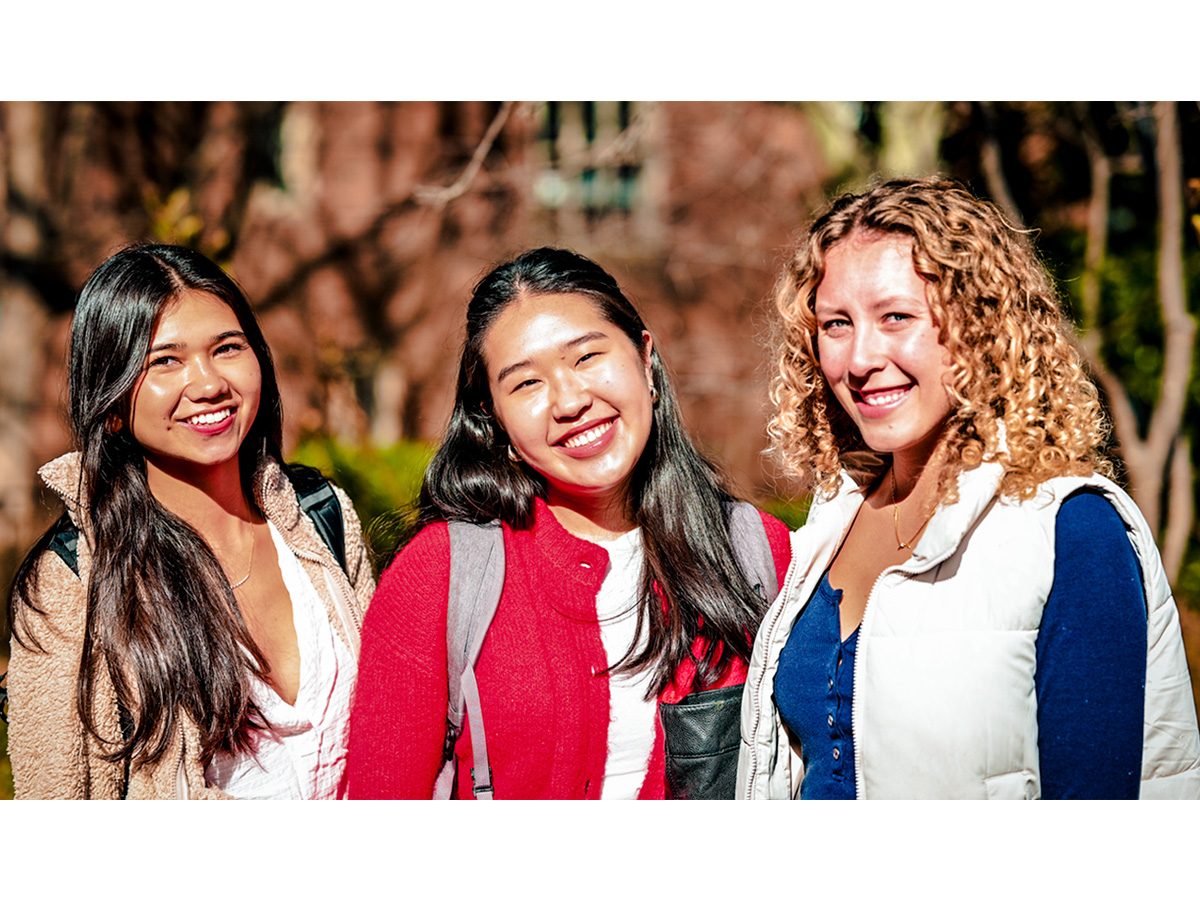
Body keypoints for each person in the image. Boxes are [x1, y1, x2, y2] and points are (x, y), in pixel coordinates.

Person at [738, 177, 1200, 800]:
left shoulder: (1071, 528)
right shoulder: (829, 522)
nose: (860, 359)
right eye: (836, 324)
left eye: (897, 317)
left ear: (982, 326)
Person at [347, 247, 791, 799]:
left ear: (645, 357)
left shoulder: (756, 553)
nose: (569, 401)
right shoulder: (439, 575)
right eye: (526, 384)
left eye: (585, 358)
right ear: (494, 416)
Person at [5, 244, 375, 799]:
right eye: (165, 361)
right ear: (110, 401)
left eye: (227, 348)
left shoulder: (320, 515)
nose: (207, 384)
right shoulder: (72, 584)